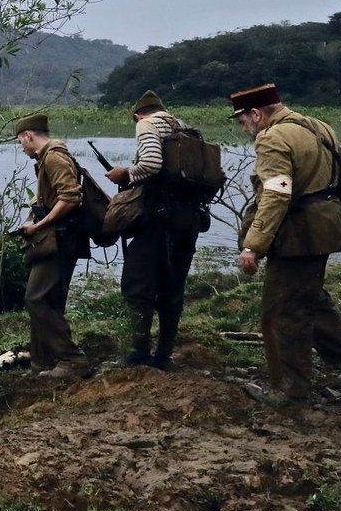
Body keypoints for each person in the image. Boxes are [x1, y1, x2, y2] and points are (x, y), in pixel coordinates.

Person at [231, 83, 341, 401]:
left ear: (256, 114)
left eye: (242, 120)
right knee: (312, 301)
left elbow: (276, 192)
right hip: (326, 226)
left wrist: (253, 245)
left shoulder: (272, 138)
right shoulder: (318, 126)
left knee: (282, 311)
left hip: (297, 234)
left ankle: (292, 389)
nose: (244, 127)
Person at [104, 91, 201, 369]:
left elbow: (150, 164)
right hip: (189, 219)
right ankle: (164, 355)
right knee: (172, 287)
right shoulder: (181, 126)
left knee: (137, 285)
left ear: (138, 114)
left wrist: (125, 174)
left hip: (159, 219)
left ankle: (139, 354)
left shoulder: (147, 124)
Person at [14, 113, 88, 376]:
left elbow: (70, 198)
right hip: (57, 238)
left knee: (36, 298)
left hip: (60, 239)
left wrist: (38, 225)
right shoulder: (48, 157)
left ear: (28, 136)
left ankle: (72, 359)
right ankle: (41, 363)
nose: (21, 147)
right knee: (50, 300)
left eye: (20, 141)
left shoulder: (54, 157)